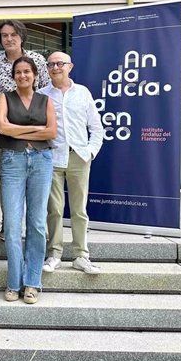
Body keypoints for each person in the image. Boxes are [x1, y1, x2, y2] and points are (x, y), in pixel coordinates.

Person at [0, 20, 51, 241]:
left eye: (13, 34)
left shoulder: (37, 60)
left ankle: (35, 227)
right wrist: (1, 109)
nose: (9, 39)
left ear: (22, 36)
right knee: (8, 180)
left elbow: (45, 91)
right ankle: (8, 224)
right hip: (4, 132)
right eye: (4, 35)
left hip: (35, 134)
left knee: (36, 184)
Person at [0, 56, 56, 305]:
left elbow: (51, 132)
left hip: (42, 160)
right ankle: (13, 282)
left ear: (35, 75)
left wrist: (16, 129)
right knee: (11, 224)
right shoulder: (4, 98)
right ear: (13, 76)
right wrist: (35, 130)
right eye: (18, 72)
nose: (22, 76)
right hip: (12, 161)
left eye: (27, 72)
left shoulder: (46, 100)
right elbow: (2, 127)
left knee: (38, 223)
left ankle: (32, 282)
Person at [38, 52, 104, 275]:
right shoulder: (42, 95)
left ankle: (81, 256)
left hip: (79, 157)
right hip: (52, 157)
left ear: (70, 66)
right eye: (51, 64)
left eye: (60, 63)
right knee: (54, 209)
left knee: (79, 209)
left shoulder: (83, 93)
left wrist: (90, 152)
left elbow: (96, 127)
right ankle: (54, 254)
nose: (55, 67)